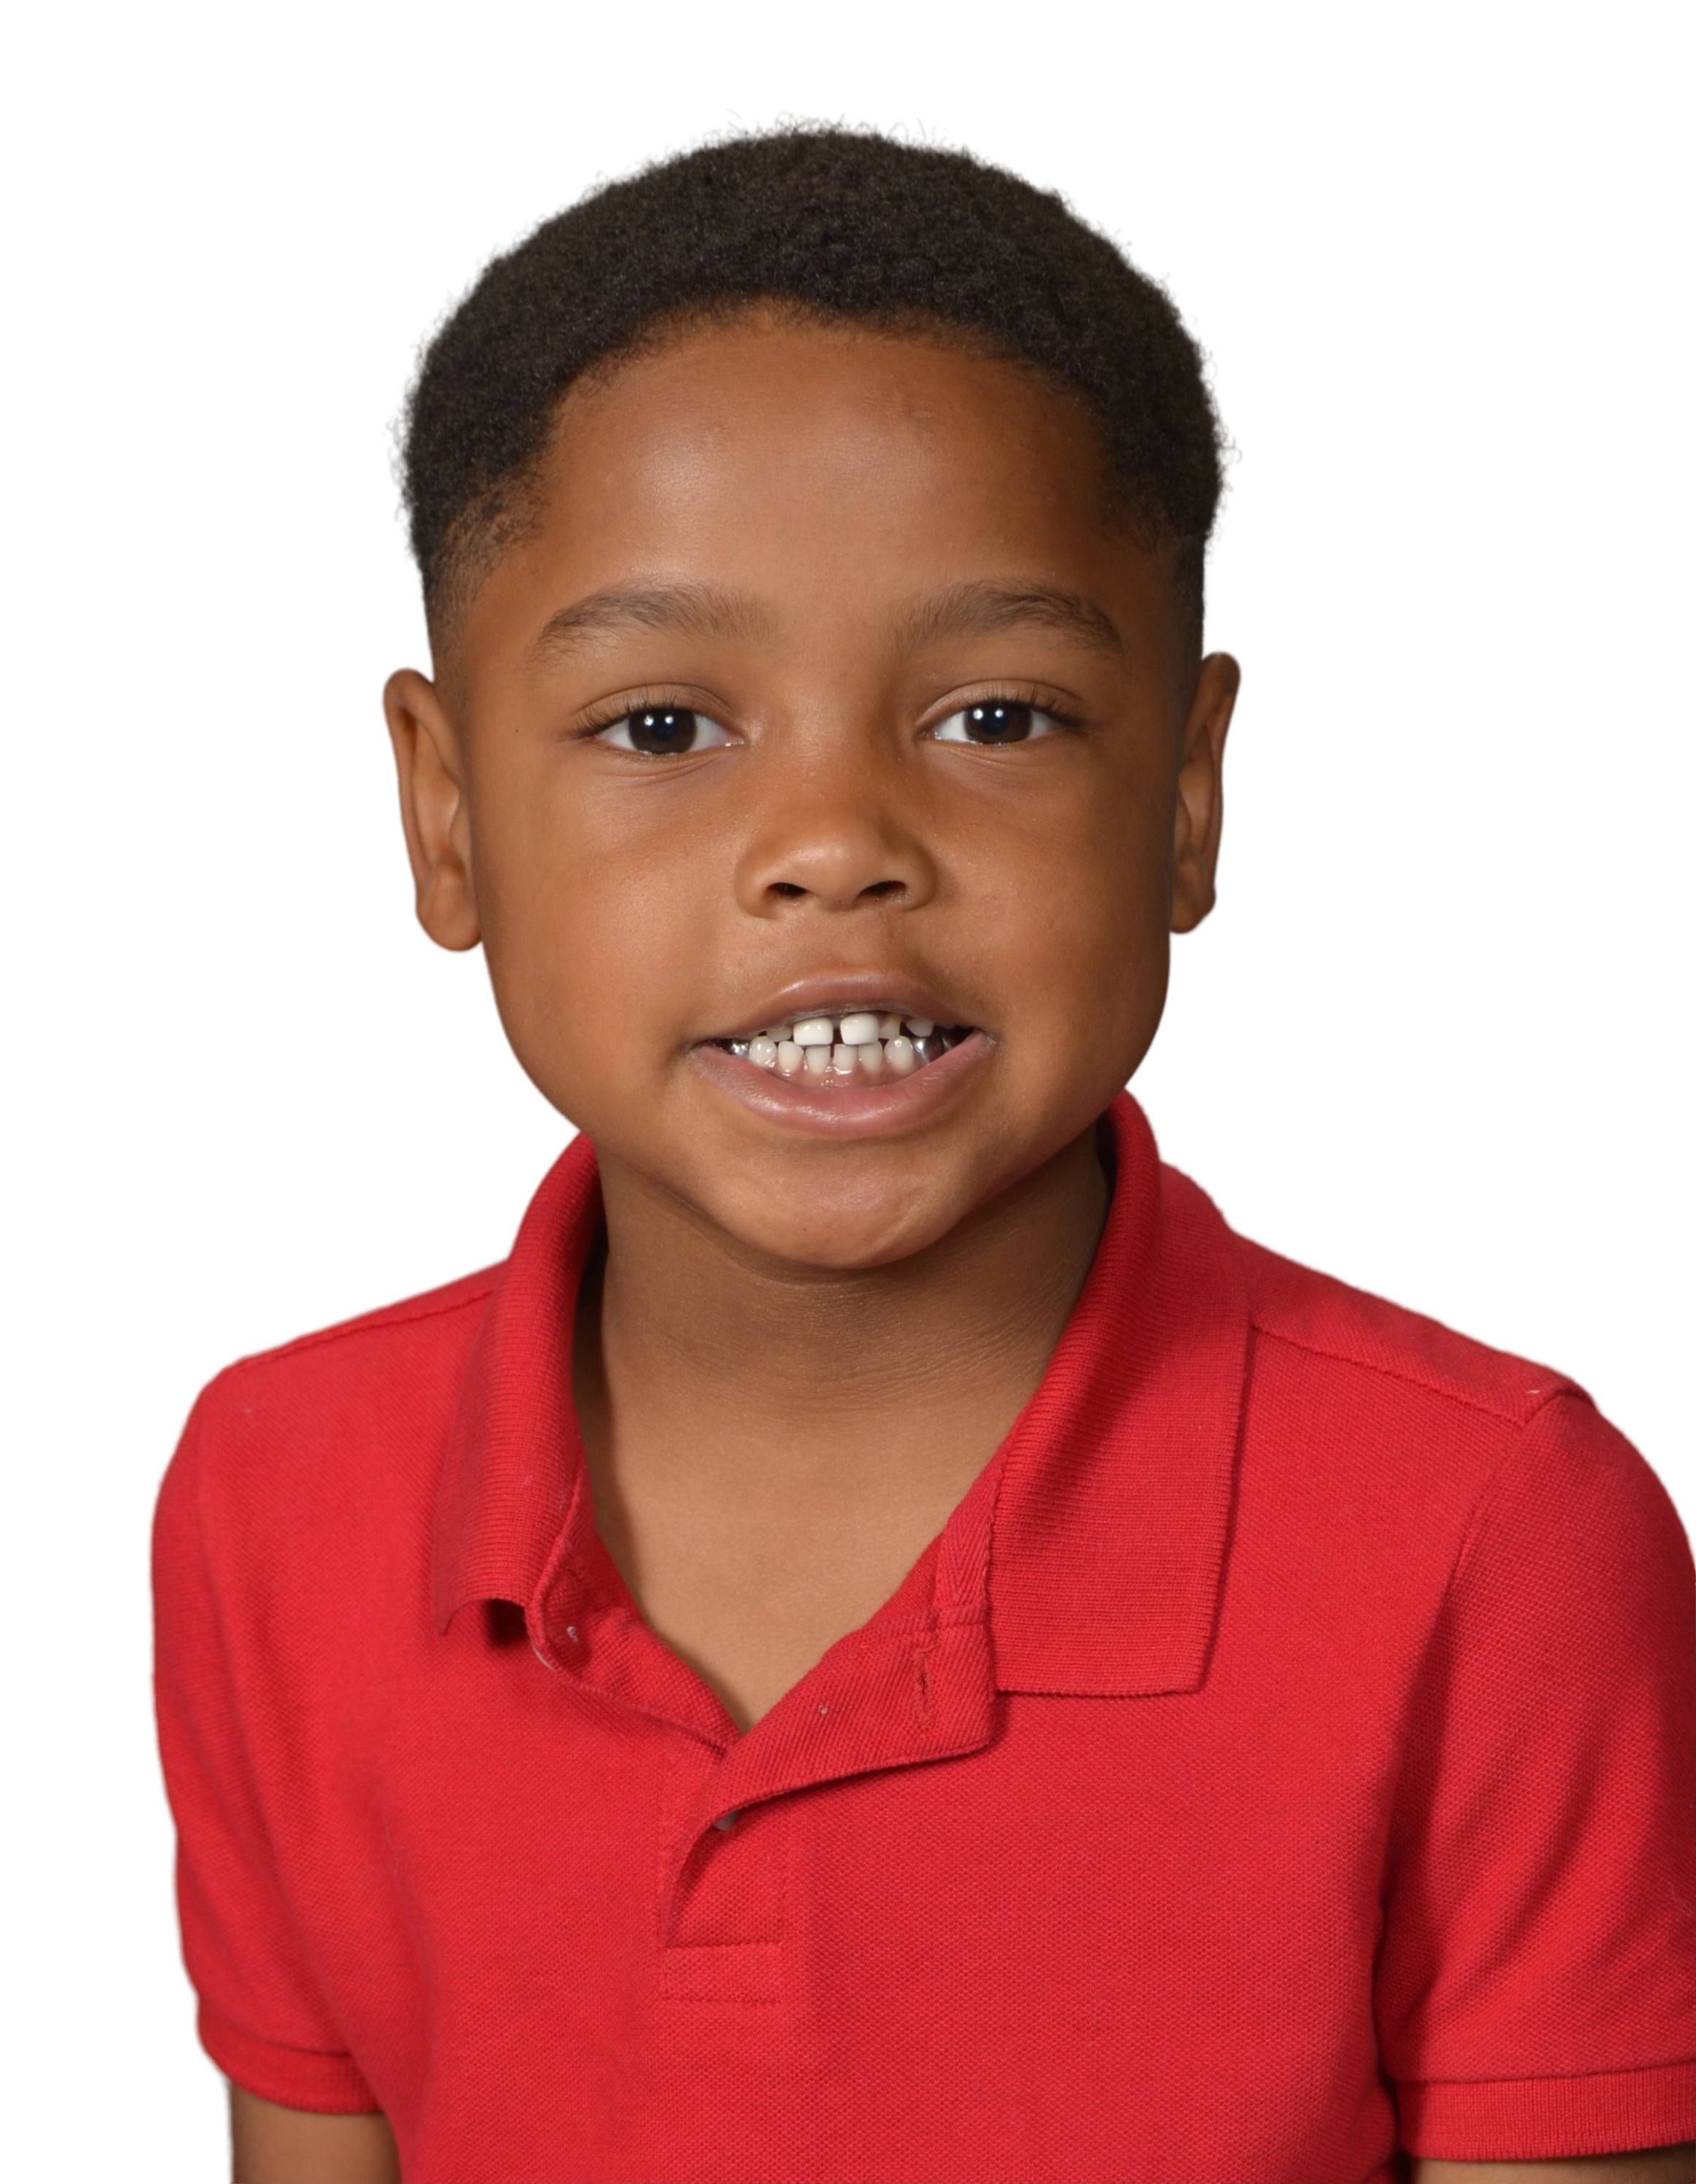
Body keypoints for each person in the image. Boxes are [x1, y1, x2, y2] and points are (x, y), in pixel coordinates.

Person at [144, 107, 1695, 2184]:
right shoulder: (275, 1493)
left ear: (1191, 799)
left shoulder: (1499, 1536)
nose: (835, 847)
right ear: (443, 817)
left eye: (997, 717)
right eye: (664, 726)